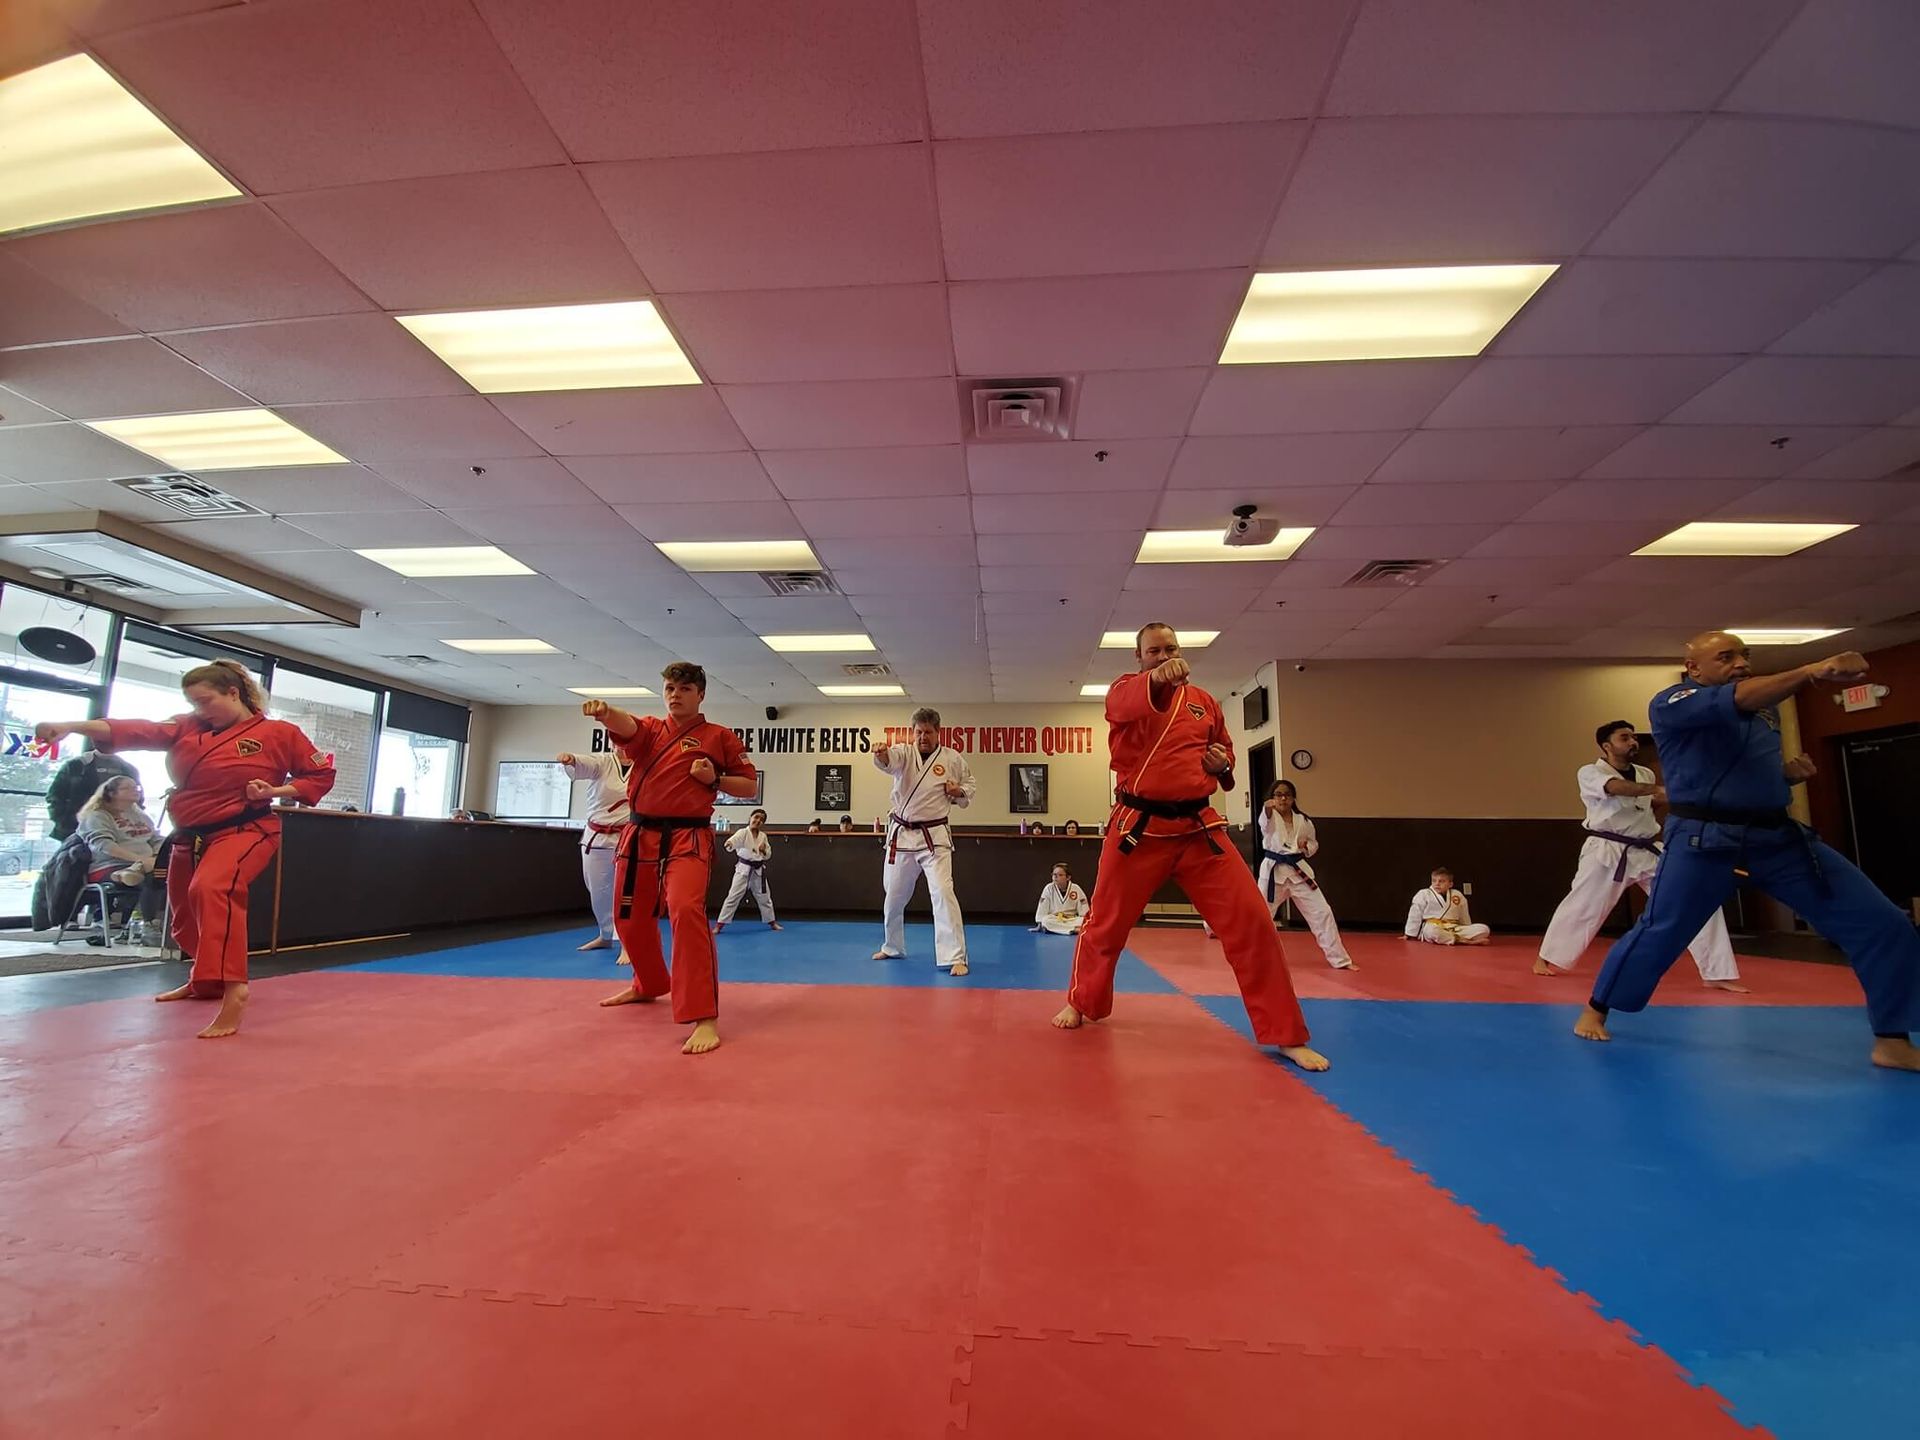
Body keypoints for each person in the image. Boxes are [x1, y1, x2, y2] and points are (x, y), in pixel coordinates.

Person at [1577, 633, 1920, 1070]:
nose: (1740, 663)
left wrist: (1786, 777)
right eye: (1726, 657)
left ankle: (1891, 1038)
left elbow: (1738, 770)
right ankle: (1598, 1006)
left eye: (1745, 656)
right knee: (1663, 929)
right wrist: (1811, 670)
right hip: (1703, 840)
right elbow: (1737, 698)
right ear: (1695, 668)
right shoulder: (1674, 701)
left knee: (1883, 922)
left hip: (1776, 838)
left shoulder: (1766, 709)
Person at [1052, 624, 1327, 1071]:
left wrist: (1223, 765)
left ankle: (1285, 1033)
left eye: (1170, 649)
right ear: (1139, 658)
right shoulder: (1126, 692)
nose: (1163, 656)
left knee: (1254, 922)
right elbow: (1123, 702)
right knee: (1104, 924)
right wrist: (1157, 680)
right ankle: (1082, 1002)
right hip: (1138, 829)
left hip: (1200, 829)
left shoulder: (1205, 702)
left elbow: (1226, 756)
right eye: (1153, 651)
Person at [34, 660, 335, 1038]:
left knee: (212, 889)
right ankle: (204, 981)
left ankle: (233, 988)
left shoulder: (279, 733)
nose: (200, 710)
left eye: (206, 701)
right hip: (189, 834)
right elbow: (134, 729)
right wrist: (68, 727)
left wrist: (277, 791)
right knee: (185, 915)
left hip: (245, 829)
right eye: (194, 703)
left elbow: (319, 773)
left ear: (233, 692)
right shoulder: (187, 727)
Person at [589, 662, 755, 1056]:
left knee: (684, 910)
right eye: (669, 688)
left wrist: (713, 779)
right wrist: (604, 712)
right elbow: (626, 726)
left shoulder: (719, 737)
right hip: (640, 833)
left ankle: (704, 1015)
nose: (674, 694)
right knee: (627, 916)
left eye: (683, 688)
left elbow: (748, 786)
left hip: (688, 836)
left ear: (700, 694)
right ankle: (648, 983)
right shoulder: (650, 730)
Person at [1534, 721, 1745, 990]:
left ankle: (1717, 973)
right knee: (1583, 907)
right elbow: (1615, 788)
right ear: (1607, 746)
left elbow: (1646, 806)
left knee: (1695, 899)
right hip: (1607, 851)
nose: (1633, 742)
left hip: (1647, 849)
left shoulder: (1645, 773)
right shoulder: (1590, 772)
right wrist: (1657, 791)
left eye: (1634, 737)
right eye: (1625, 738)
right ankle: (1547, 958)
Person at [872, 707, 976, 975]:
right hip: (902, 835)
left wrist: (958, 790)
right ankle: (892, 945)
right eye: (918, 732)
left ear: (938, 732)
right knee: (893, 896)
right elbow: (888, 760)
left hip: (934, 839)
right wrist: (882, 754)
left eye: (928, 732)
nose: (922, 737)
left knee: (942, 892)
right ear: (913, 732)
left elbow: (970, 784)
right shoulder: (903, 753)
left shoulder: (952, 758)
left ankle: (956, 956)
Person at [1257, 780, 1356, 971]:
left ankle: (1340, 960)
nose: (1283, 798)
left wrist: (1306, 847)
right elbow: (1265, 823)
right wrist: (1267, 808)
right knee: (1260, 916)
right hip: (1273, 873)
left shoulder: (1304, 821)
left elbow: (1314, 844)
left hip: (1298, 871)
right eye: (1278, 794)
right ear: (1272, 798)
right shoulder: (1269, 816)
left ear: (1293, 798)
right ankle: (1255, 959)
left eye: (1287, 794)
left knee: (1322, 912)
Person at [556, 748, 629, 957]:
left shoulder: (644, 764)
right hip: (596, 837)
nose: (620, 744)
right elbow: (585, 763)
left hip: (629, 838)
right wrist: (571, 760)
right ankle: (605, 936)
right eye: (616, 738)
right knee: (598, 892)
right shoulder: (603, 762)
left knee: (627, 894)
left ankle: (627, 942)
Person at [75, 775, 164, 944]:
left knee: (167, 875)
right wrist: (140, 859)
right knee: (154, 877)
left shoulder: (140, 815)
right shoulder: (97, 816)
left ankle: (135, 927)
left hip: (144, 863)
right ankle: (147, 926)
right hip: (108, 866)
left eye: (136, 786)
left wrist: (158, 855)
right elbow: (104, 845)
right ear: (112, 793)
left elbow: (156, 839)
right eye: (127, 788)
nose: (135, 790)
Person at [46, 747, 137, 841]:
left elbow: (137, 801)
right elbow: (55, 796)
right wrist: (65, 822)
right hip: (76, 830)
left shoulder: (128, 769)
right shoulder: (76, 765)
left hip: (119, 831)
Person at [714, 808, 780, 932]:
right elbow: (734, 841)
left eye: (761, 820)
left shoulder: (763, 836)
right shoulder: (743, 832)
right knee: (733, 897)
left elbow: (768, 854)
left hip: (758, 870)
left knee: (765, 897)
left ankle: (772, 922)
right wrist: (730, 844)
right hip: (743, 870)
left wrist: (763, 850)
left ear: (763, 823)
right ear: (750, 818)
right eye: (756, 817)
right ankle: (719, 925)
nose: (758, 820)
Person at [1404, 867, 1490, 945]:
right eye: (1434, 880)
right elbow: (1415, 914)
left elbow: (1464, 914)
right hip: (1433, 926)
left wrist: (1466, 927)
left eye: (1441, 881)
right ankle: (1465, 941)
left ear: (1450, 884)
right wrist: (1409, 933)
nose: (1437, 884)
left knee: (1484, 929)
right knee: (1432, 932)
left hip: (1454, 928)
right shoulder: (1423, 894)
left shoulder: (1457, 895)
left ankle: (1453, 938)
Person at [1032, 863, 1088, 935]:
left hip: (1071, 919)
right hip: (1055, 918)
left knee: (1083, 920)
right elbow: (1042, 907)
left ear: (1068, 877)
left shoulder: (1076, 888)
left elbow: (1084, 909)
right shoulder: (1048, 888)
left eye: (1060, 875)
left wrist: (1084, 920)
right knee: (1046, 921)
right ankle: (1074, 929)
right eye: (1054, 874)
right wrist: (1040, 923)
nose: (1055, 877)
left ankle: (1059, 929)